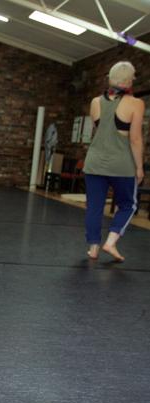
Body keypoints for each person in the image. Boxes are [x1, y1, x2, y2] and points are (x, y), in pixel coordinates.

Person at [84, 61, 145, 262]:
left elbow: (100, 130)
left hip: (94, 163)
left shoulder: (95, 102)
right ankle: (110, 242)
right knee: (128, 204)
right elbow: (135, 139)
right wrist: (139, 167)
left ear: (111, 78)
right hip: (121, 165)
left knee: (94, 206)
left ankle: (93, 248)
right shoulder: (136, 104)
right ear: (129, 80)